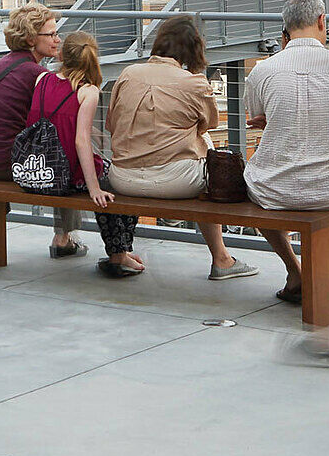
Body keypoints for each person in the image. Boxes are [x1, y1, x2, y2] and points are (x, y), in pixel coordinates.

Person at [101, 14, 260, 281]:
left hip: (122, 178)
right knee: (206, 144)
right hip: (176, 182)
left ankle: (120, 253)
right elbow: (209, 123)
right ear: (193, 49)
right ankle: (222, 259)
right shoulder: (194, 82)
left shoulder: (128, 74)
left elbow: (111, 125)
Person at [242, 0, 329, 303]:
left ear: (284, 31)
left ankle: (294, 270)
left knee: (255, 186)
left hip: (274, 189)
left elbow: (258, 116)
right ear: (322, 21)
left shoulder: (261, 70)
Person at [0, 3, 86, 262]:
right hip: (4, 165)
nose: (58, 40)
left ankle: (64, 237)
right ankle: (63, 238)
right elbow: (58, 128)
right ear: (32, 39)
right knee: (69, 157)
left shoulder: (4, 64)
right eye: (51, 34)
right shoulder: (36, 74)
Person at [20, 28, 111, 251]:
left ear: (61, 56)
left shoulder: (42, 79)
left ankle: (63, 236)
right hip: (63, 173)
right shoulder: (88, 91)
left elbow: (59, 121)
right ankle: (117, 250)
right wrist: (94, 189)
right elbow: (80, 141)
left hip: (36, 166)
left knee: (64, 161)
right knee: (109, 174)